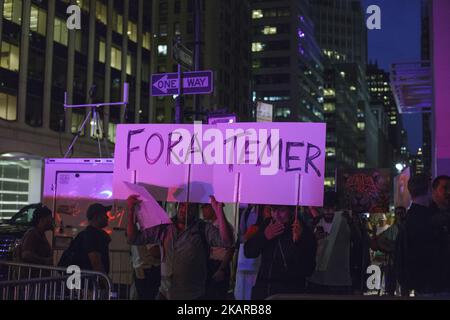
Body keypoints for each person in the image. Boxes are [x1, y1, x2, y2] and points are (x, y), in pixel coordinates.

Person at [126, 196, 233, 300]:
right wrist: (130, 211)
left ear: (195, 210)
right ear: (177, 206)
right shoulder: (166, 227)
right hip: (165, 293)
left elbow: (227, 241)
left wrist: (219, 211)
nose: (184, 210)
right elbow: (133, 239)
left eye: (190, 206)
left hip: (192, 295)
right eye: (182, 205)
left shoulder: (202, 228)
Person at [244, 205, 316, 300]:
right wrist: (264, 236)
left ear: (291, 211)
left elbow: (308, 269)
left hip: (289, 292)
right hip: (263, 289)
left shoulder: (302, 229)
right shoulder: (268, 224)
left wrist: (298, 243)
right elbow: (249, 252)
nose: (276, 215)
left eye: (281, 211)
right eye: (273, 210)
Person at [307, 191, 357, 295]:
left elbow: (358, 242)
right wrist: (312, 239)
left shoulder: (346, 221)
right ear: (321, 208)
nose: (328, 211)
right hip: (317, 279)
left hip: (339, 281)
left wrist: (351, 223)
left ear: (337, 207)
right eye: (325, 207)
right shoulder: (315, 223)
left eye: (332, 207)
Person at [395, 173, 434, 296]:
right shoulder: (428, 218)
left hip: (419, 283)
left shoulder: (408, 219)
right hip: (430, 283)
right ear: (429, 189)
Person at [201, 203, 235, 300]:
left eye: (205, 207)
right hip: (209, 264)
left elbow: (230, 249)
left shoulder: (225, 226)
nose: (202, 210)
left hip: (219, 264)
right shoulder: (208, 226)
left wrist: (222, 269)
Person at [376, 206, 407, 296]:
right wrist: (392, 248)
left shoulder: (408, 227)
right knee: (390, 287)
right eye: (398, 213)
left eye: (402, 213)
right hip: (393, 260)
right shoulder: (392, 229)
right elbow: (380, 241)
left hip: (405, 261)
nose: (400, 215)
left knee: (405, 287)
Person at [429, 175, 450, 296]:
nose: (448, 192)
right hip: (434, 284)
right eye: (445, 188)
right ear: (434, 191)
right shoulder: (426, 215)